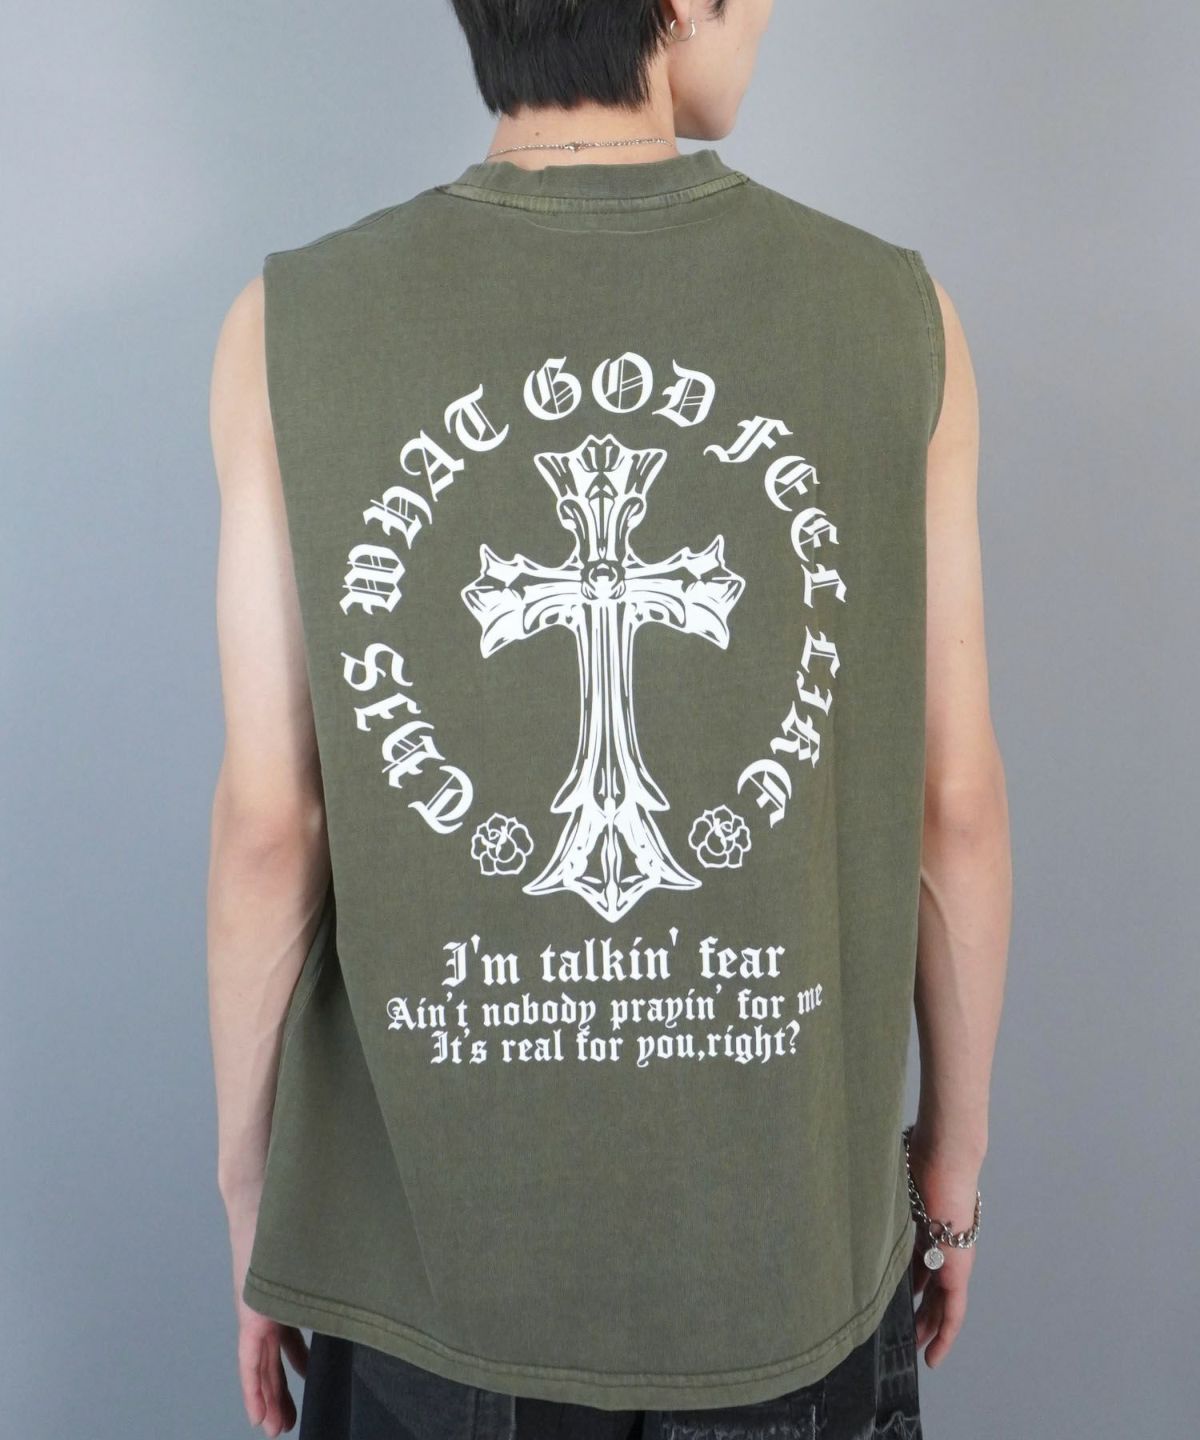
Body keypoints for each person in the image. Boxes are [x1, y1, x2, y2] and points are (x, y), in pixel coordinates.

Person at [206, 2, 1012, 1436]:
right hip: (789, 1259)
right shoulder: (895, 316)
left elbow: (273, 824)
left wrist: (258, 1195)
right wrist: (948, 1165)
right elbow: (955, 808)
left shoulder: (289, 327)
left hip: (431, 1271)